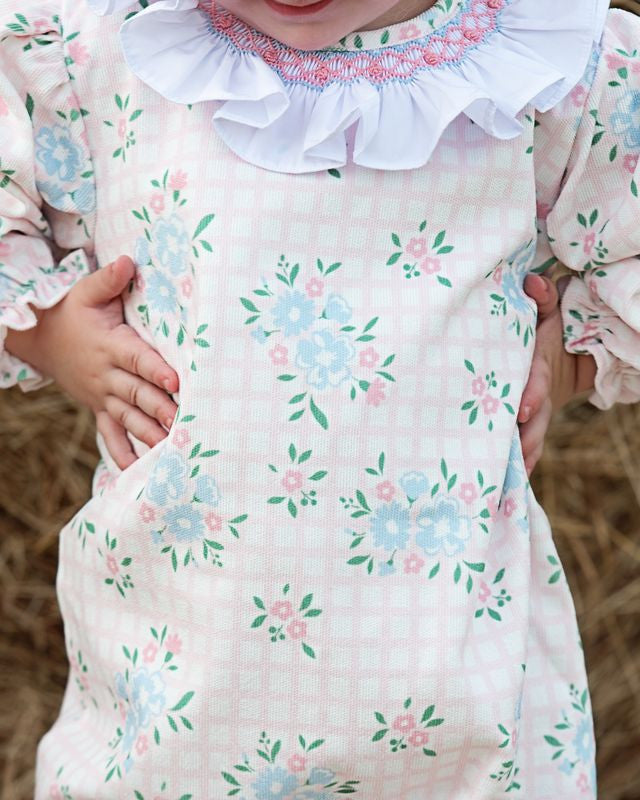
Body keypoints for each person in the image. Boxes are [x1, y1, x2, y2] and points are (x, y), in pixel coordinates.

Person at [0, 0, 638, 796]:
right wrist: (49, 331)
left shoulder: (541, 69)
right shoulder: (107, 47)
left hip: (465, 712)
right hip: (175, 696)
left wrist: (564, 358)